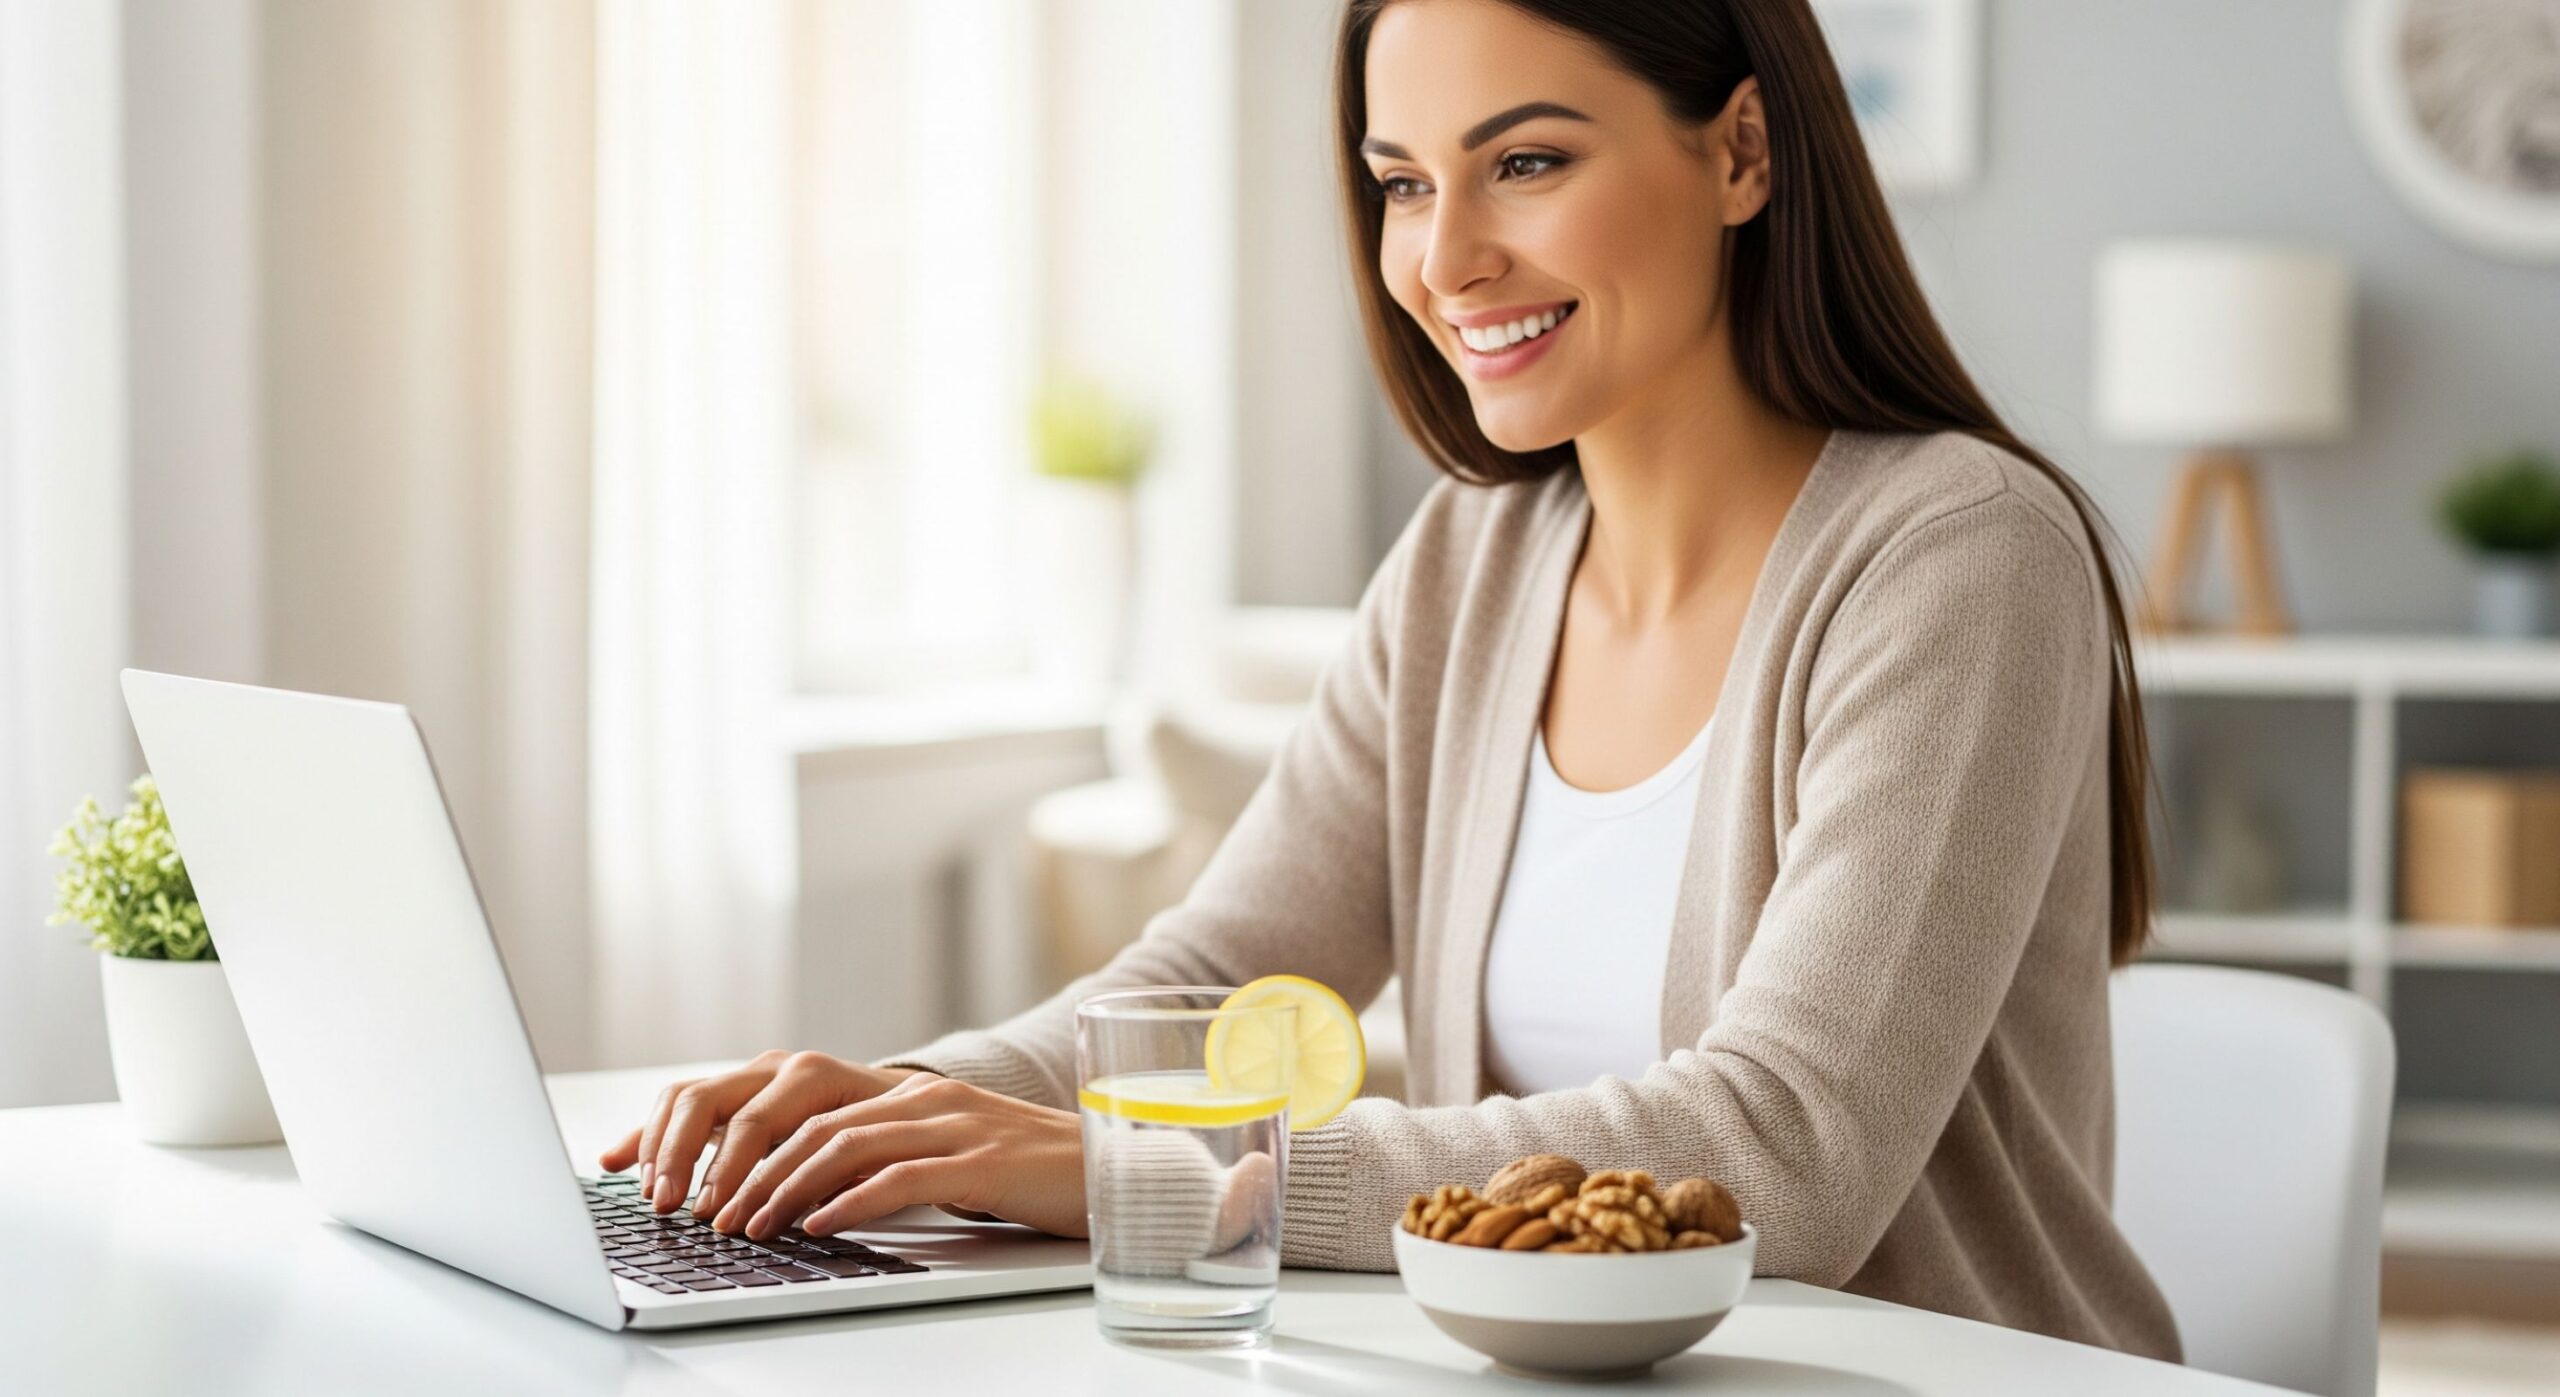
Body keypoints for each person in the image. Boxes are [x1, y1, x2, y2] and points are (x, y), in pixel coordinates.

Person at [603, 0, 2182, 1361]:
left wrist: (1149, 1167)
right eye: (1402, 182)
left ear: (1742, 153)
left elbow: (1789, 1153)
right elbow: (1215, 975)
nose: (1445, 255)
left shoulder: (1963, 555)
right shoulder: (1474, 557)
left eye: (1529, 162)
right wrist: (876, 1115)